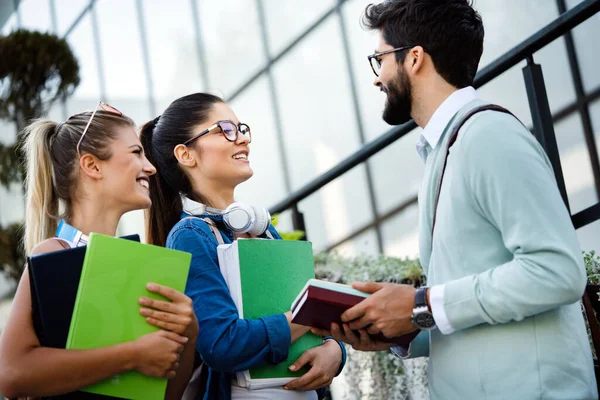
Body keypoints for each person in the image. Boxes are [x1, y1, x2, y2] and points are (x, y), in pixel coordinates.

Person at [312, 1, 598, 399]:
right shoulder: (446, 151)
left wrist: (419, 304)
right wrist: (406, 327)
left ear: (414, 58)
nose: (377, 79)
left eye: (380, 60)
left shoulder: (488, 136)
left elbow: (558, 271)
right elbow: (475, 307)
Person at [141, 93, 346, 400]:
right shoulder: (190, 235)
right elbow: (221, 344)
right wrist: (303, 317)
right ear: (186, 154)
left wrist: (335, 350)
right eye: (225, 129)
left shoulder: (261, 228)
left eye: (242, 129)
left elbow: (317, 326)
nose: (242, 140)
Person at [0, 102, 198, 399]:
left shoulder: (140, 264)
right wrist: (133, 354)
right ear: (92, 165)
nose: (151, 167)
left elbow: (165, 395)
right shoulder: (55, 251)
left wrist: (189, 333)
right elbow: (12, 375)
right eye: (136, 153)